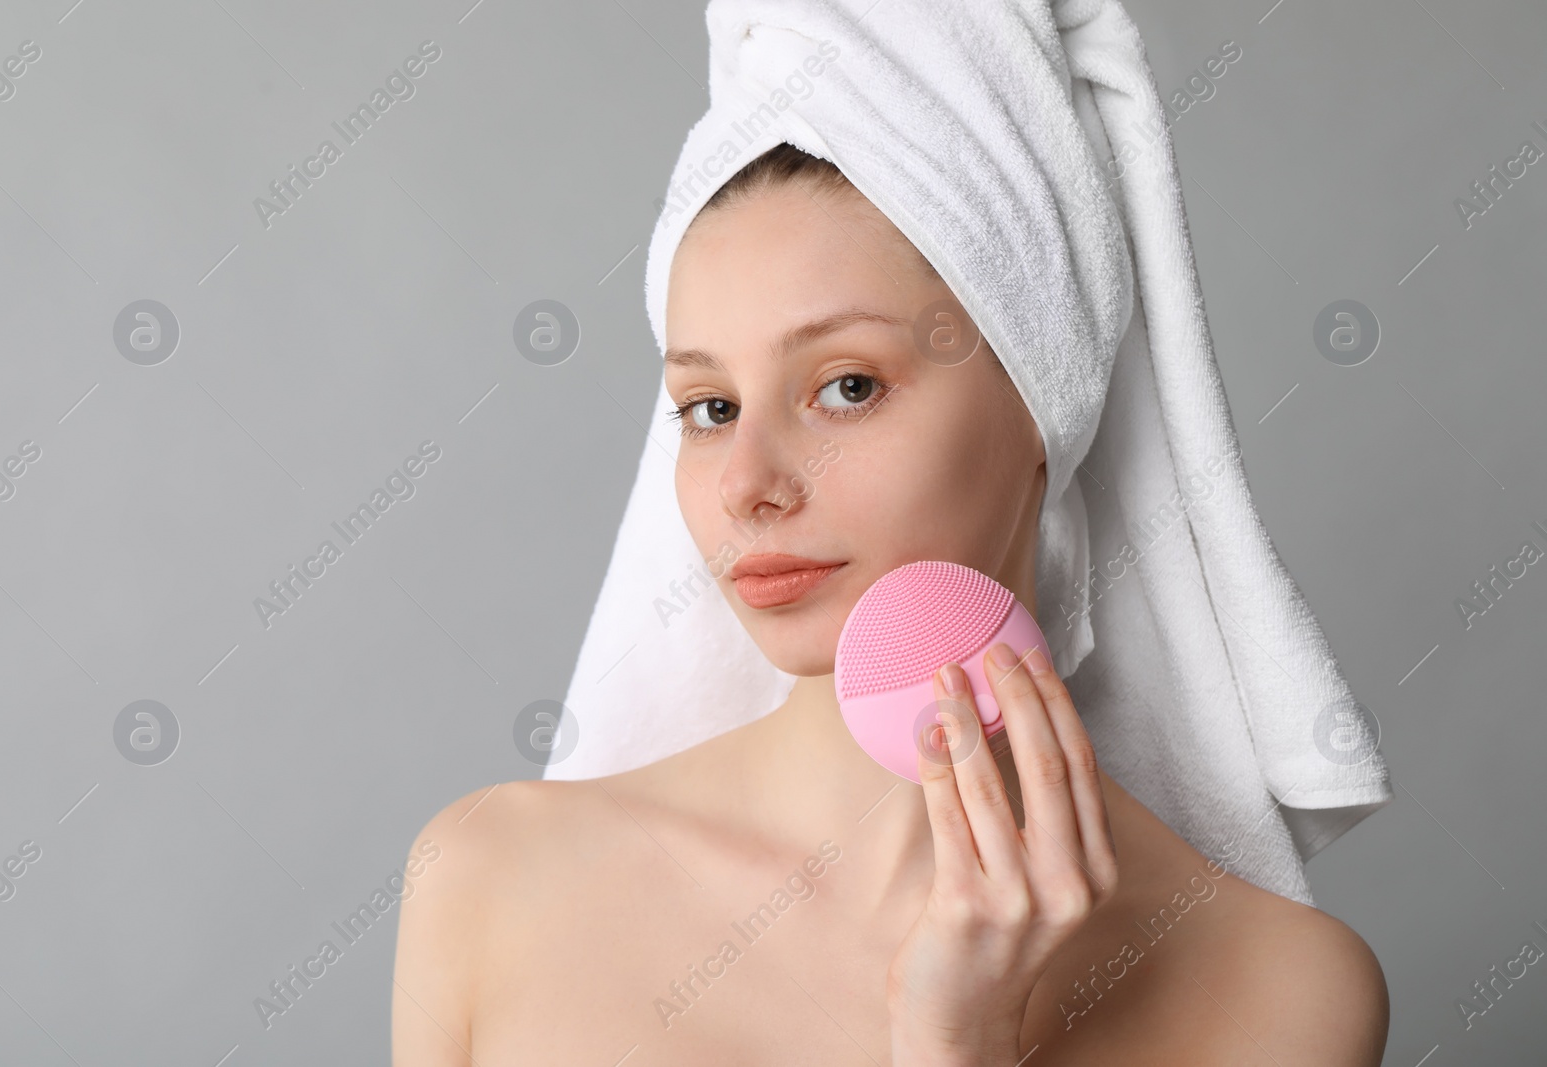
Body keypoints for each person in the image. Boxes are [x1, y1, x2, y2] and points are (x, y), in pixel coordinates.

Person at [390, 143, 1390, 1065]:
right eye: (711, 408)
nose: (748, 484)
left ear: (1044, 404)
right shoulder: (492, 875)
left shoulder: (1274, 989)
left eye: (848, 386)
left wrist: (957, 1042)